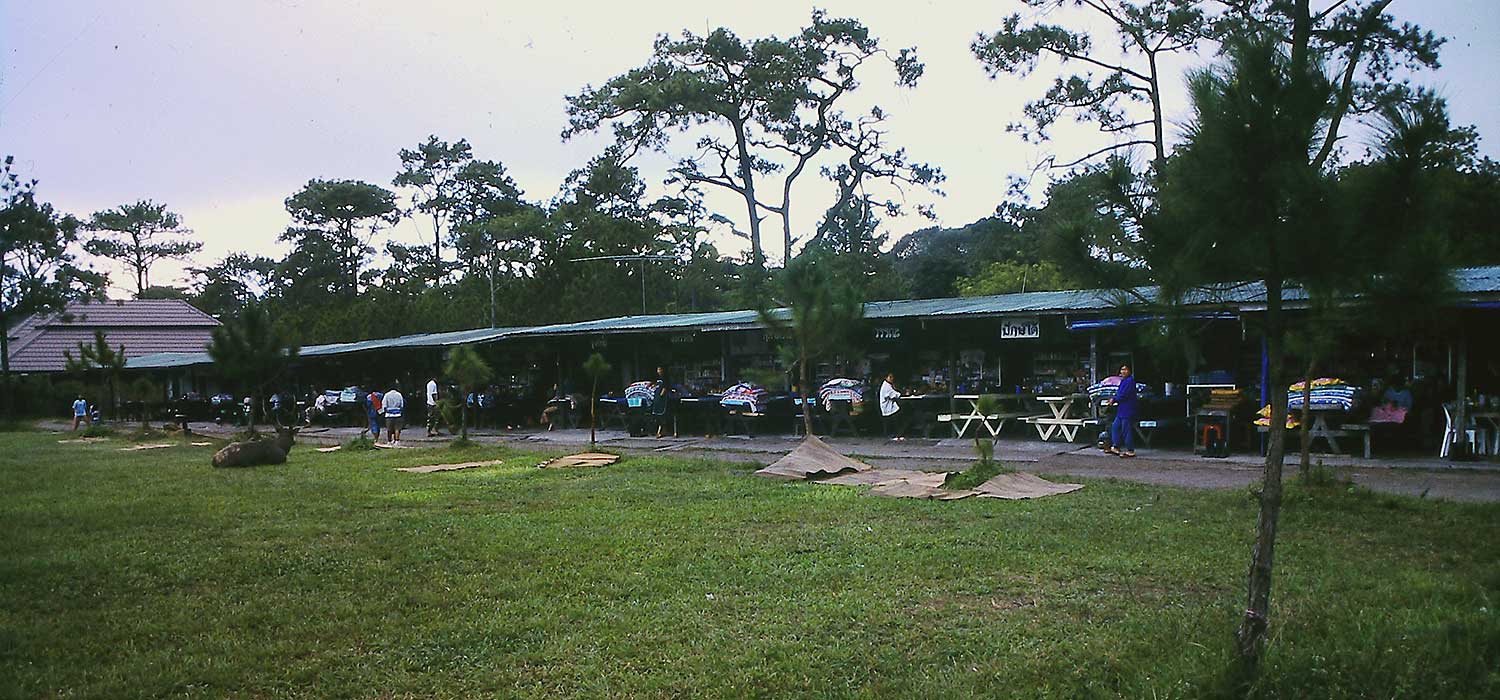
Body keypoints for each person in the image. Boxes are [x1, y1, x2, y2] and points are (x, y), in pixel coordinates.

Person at [1108, 365, 1139, 458]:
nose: (1123, 371)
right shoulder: (1123, 381)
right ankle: (1115, 446)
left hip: (1128, 409)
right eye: (1122, 369)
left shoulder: (1130, 381)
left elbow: (1123, 395)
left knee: (1126, 429)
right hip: (1121, 409)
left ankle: (1130, 450)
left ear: (1129, 371)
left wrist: (1114, 400)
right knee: (1115, 426)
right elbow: (1119, 394)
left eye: (1125, 369)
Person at [879, 372, 908, 440]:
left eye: (892, 377)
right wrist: (903, 393)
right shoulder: (886, 386)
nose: (892, 378)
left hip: (891, 406)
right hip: (888, 408)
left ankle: (899, 434)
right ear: (886, 378)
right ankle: (897, 434)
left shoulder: (889, 385)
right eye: (890, 377)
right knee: (901, 414)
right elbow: (894, 394)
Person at [652, 366, 677, 439]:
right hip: (657, 398)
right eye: (657, 369)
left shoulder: (665, 378)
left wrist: (661, 395)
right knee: (657, 415)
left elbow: (665, 388)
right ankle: (662, 430)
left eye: (660, 369)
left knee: (663, 415)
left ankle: (660, 431)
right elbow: (656, 386)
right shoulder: (657, 379)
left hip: (663, 399)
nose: (658, 371)